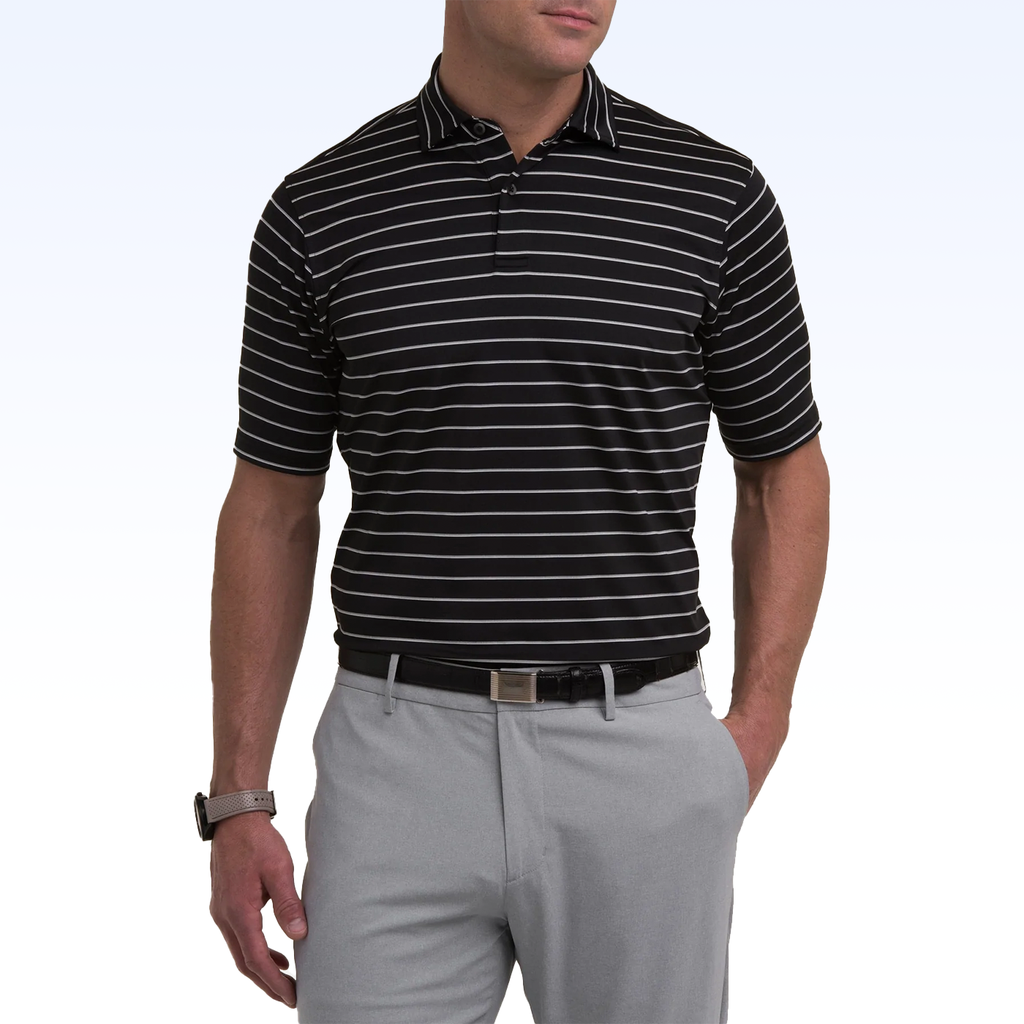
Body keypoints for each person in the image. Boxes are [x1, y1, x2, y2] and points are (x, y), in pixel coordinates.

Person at [199, 2, 830, 1021]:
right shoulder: (322, 210)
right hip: (395, 766)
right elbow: (271, 505)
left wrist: (757, 727)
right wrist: (238, 797)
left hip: (641, 759)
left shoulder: (714, 198)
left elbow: (781, 470)